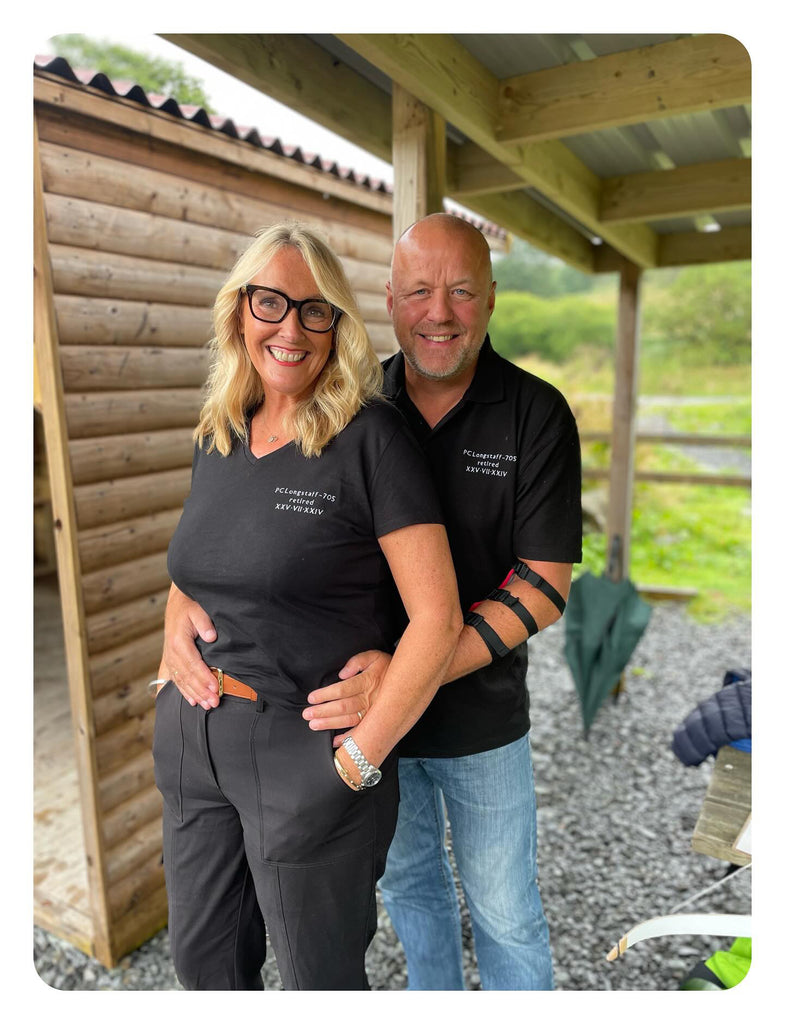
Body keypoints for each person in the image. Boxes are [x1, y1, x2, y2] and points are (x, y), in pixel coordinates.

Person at [163, 213, 583, 990]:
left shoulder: (534, 413)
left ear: (489, 300)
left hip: (472, 718)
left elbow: (543, 582)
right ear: (389, 301)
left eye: (460, 292)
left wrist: (400, 682)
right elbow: (234, 535)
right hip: (357, 718)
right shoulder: (354, 398)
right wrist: (176, 617)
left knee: (503, 909)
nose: (439, 312)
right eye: (419, 291)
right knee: (410, 894)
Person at [152, 222, 462, 991]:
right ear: (239, 313)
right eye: (270, 303)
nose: (290, 329)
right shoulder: (219, 431)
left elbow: (438, 617)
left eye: (313, 310)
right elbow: (201, 562)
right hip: (194, 747)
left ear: (337, 326)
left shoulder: (370, 440)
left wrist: (359, 761)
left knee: (318, 981)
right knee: (204, 967)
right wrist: (171, 630)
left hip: (302, 749)